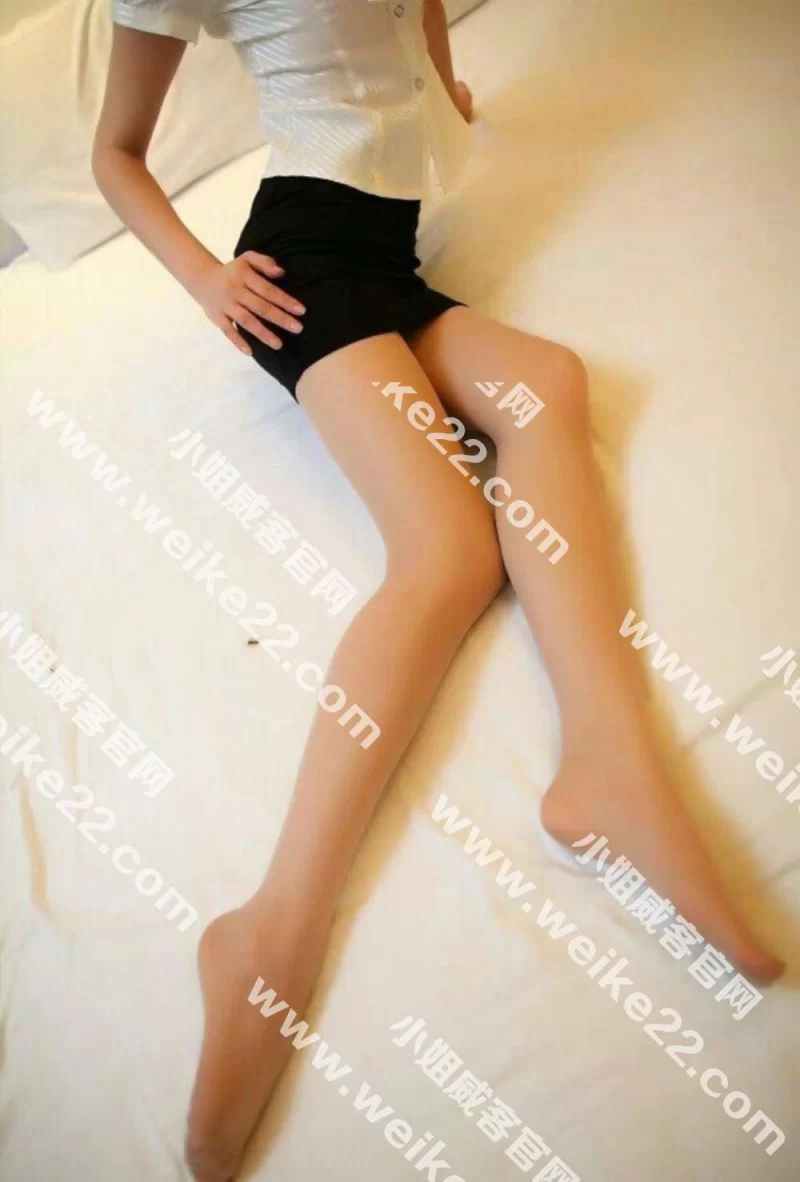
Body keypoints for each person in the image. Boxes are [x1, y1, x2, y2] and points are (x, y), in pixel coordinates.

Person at [93, 2, 785, 1179]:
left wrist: (442, 93)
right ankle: (271, 924)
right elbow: (114, 151)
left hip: (385, 253)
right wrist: (208, 280)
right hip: (300, 265)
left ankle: (604, 763)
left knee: (546, 384)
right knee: (447, 548)